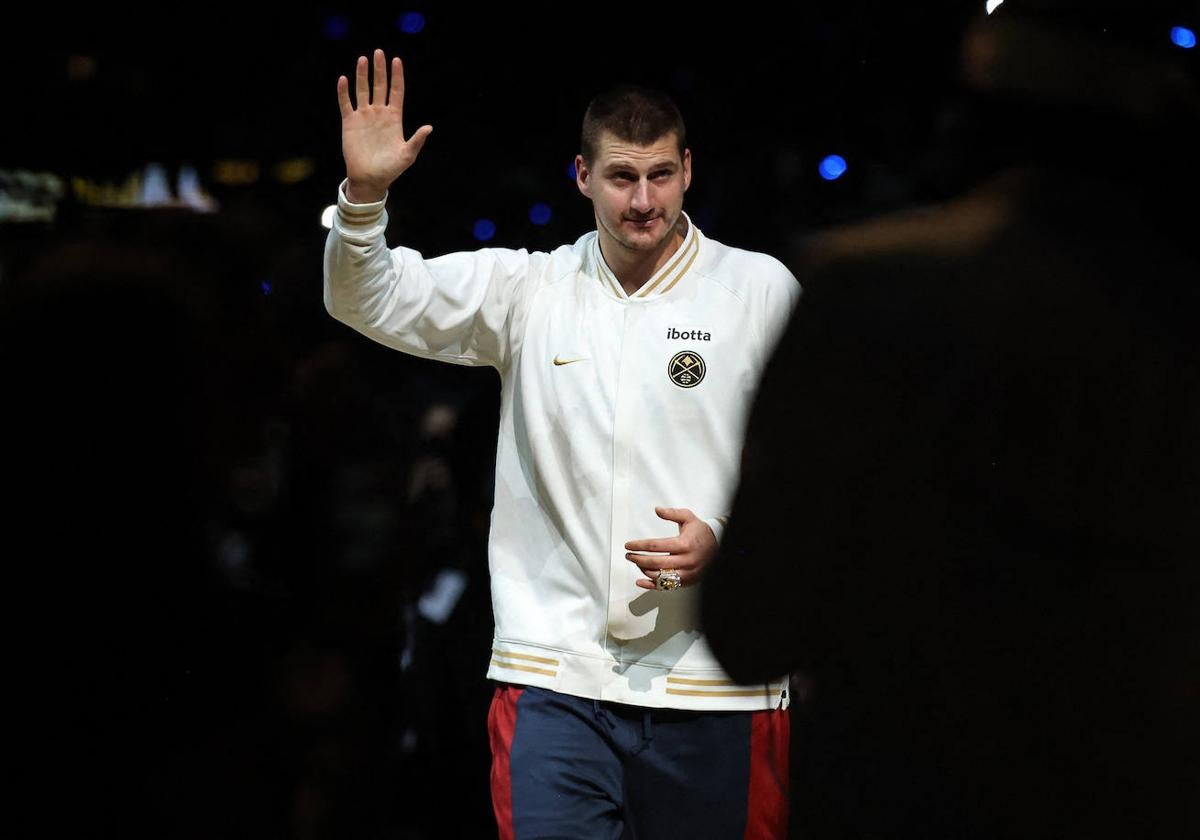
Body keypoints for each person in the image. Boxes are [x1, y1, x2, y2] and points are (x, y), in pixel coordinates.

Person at [700, 3, 1200, 839]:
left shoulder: (870, 293)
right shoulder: (1172, 324)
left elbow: (753, 623)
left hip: (907, 800)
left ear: (972, 115)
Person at [324, 50, 801, 838]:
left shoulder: (759, 290)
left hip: (717, 681)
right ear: (580, 176)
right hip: (553, 674)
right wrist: (366, 198)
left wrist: (731, 540)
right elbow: (364, 298)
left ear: (689, 171)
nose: (642, 201)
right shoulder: (528, 290)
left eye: (659, 176)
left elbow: (814, 468)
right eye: (620, 177)